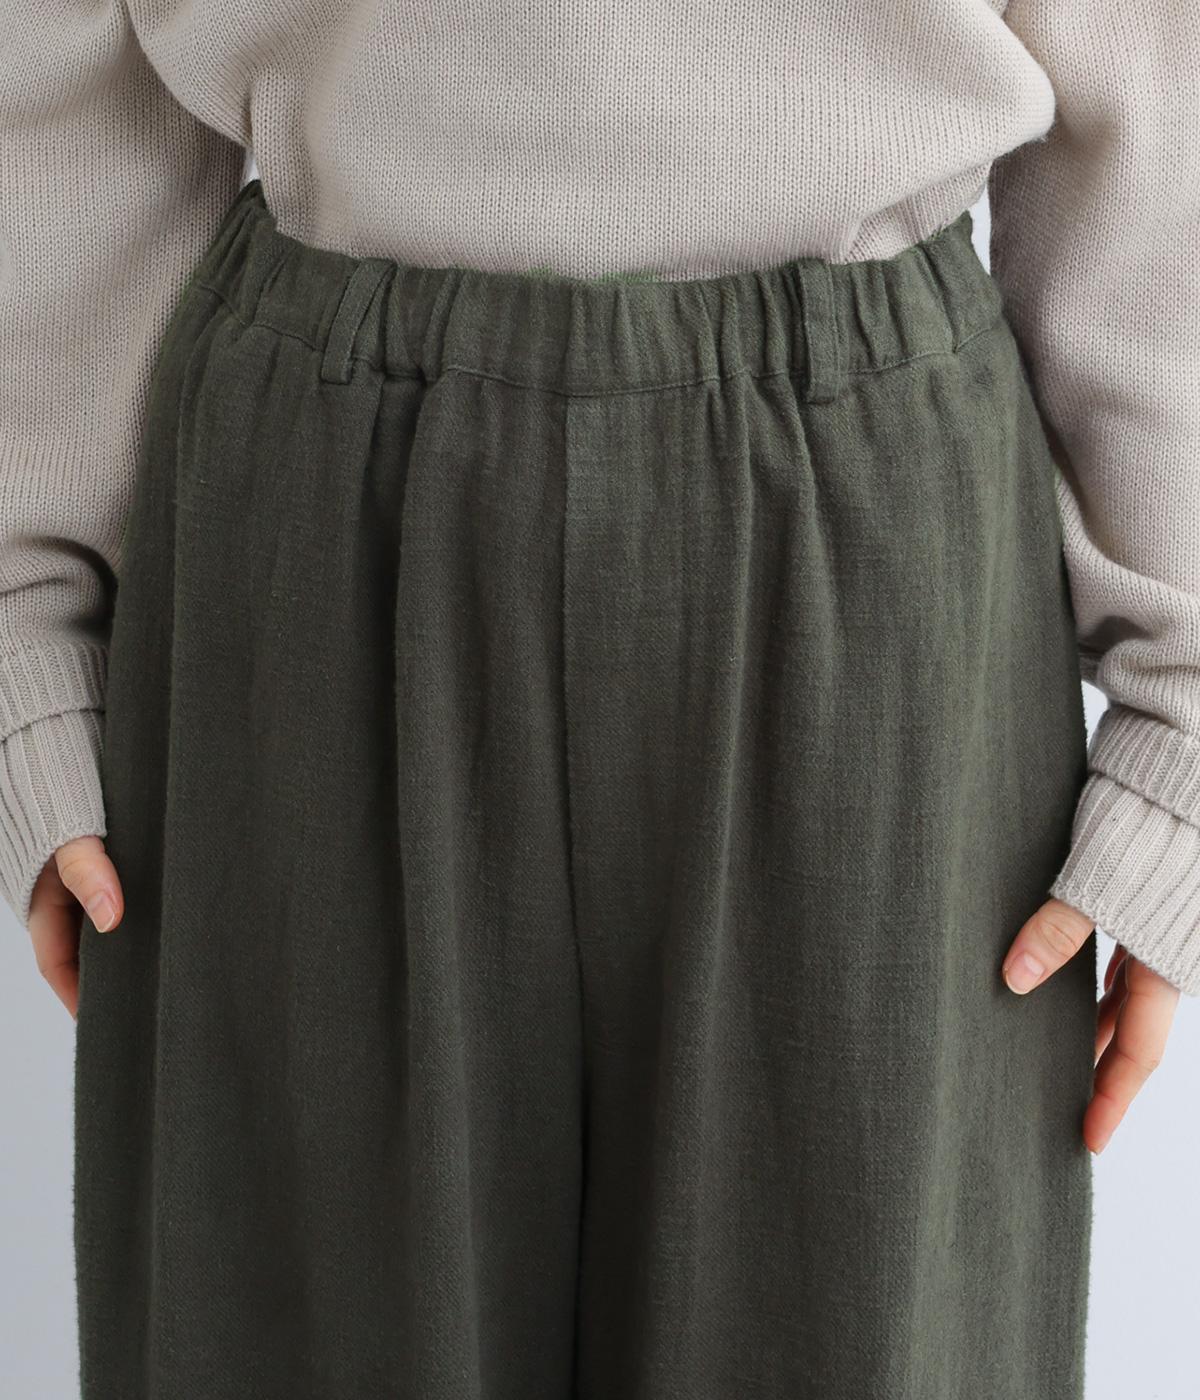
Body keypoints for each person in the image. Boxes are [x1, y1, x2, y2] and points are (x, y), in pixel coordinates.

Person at [1, 3, 1196, 1397]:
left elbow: (1153, 68)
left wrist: (1178, 732)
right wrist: (33, 627)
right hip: (315, 520)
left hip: (871, 551)